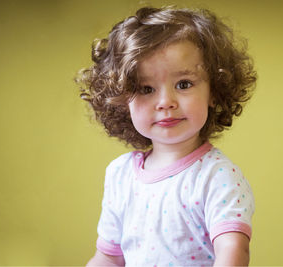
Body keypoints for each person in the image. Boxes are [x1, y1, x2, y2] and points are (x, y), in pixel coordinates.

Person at [76, 6, 257, 266]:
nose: (165, 102)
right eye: (146, 88)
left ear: (214, 91)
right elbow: (109, 258)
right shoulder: (120, 175)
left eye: (183, 84)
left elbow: (233, 251)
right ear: (122, 99)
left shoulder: (216, 176)